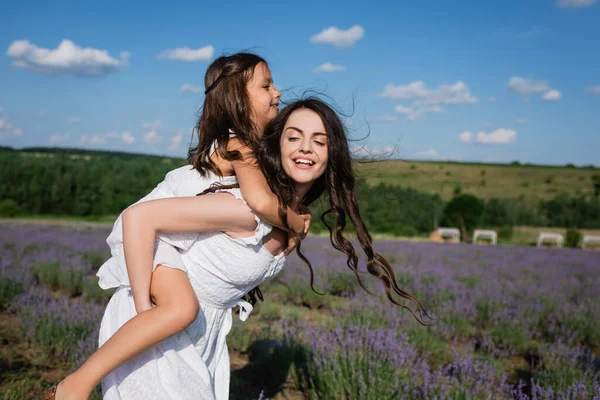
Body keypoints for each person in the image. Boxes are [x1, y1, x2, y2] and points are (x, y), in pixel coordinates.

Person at [43, 98, 430, 400]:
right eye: (293, 136)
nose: (305, 148)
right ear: (277, 144)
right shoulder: (245, 208)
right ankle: (69, 388)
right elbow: (140, 218)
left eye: (319, 140)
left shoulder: (295, 217)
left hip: (204, 337)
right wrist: (147, 311)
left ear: (332, 154)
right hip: (160, 327)